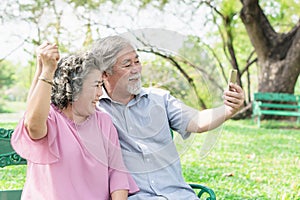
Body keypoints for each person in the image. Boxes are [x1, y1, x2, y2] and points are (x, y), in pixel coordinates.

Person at [91, 35, 245, 200]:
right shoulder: (94, 109)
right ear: (105, 74)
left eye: (137, 62)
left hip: (179, 195)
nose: (136, 69)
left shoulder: (160, 99)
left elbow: (198, 121)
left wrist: (228, 109)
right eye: (127, 65)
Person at [11, 41, 139, 200]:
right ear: (75, 87)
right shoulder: (51, 119)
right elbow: (34, 126)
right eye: (96, 85)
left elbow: (117, 174)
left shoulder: (103, 121)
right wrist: (47, 69)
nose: (100, 93)